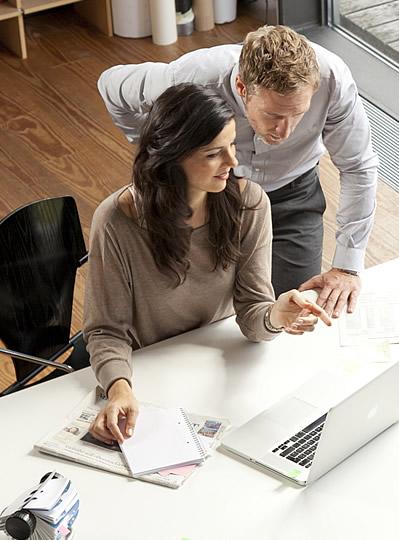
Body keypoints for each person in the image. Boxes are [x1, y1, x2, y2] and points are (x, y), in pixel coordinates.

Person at [84, 83, 331, 444]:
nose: (233, 162)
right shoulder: (116, 220)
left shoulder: (249, 204)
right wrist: (119, 389)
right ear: (172, 159)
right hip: (150, 370)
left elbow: (251, 314)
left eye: (232, 146)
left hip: (218, 359)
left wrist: (277, 313)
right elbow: (106, 330)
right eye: (214, 153)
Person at [97, 25, 379, 319]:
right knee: (198, 317)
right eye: (274, 115)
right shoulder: (190, 79)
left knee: (294, 313)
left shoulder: (332, 79)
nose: (285, 131)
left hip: (293, 196)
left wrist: (347, 265)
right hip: (209, 199)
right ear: (243, 88)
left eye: (298, 114)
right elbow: (111, 86)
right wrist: (161, 148)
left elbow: (358, 165)